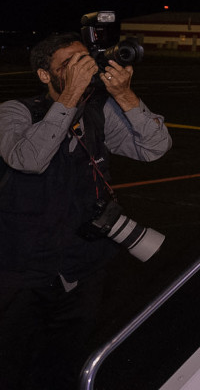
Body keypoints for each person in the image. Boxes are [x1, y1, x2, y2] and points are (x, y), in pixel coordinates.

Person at [0, 32, 172, 390]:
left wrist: (124, 95)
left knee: (66, 364)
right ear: (44, 74)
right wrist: (70, 96)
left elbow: (155, 148)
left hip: (83, 268)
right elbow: (28, 159)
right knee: (12, 364)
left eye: (86, 59)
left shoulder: (97, 112)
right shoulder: (14, 112)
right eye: (70, 64)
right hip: (23, 271)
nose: (83, 68)